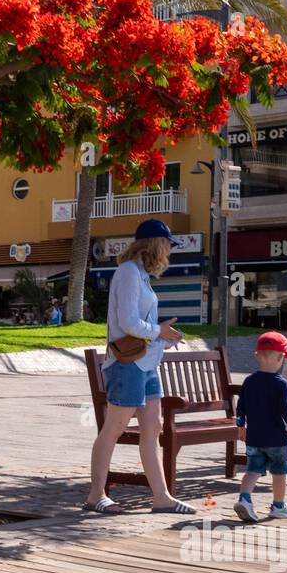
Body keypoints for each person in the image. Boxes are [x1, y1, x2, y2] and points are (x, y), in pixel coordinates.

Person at [86, 219, 194, 515]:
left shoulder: (140, 275)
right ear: (156, 245)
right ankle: (96, 495)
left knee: (152, 427)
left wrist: (165, 336)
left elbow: (139, 326)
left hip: (146, 363)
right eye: (169, 245)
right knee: (114, 428)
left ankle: (161, 497)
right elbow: (128, 323)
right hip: (128, 365)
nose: (170, 251)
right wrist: (160, 331)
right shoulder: (129, 273)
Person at [232, 331, 287, 522]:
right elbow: (285, 410)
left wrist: (241, 427)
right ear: (281, 357)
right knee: (280, 473)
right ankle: (278, 506)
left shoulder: (249, 381)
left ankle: (244, 498)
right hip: (277, 439)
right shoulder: (281, 383)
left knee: (252, 470)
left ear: (256, 355)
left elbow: (241, 408)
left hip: (254, 438)